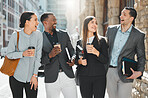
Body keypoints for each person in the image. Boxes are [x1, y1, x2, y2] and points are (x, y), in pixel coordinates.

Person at [106, 7, 145, 98]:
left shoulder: (138, 35)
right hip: (110, 71)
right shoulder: (111, 30)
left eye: (124, 14)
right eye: (121, 14)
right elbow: (105, 49)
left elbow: (141, 56)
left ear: (131, 18)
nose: (121, 16)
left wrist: (139, 72)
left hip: (126, 74)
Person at [40, 12, 77, 98]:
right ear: (45, 23)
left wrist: (73, 59)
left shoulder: (63, 34)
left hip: (67, 75)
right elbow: (40, 60)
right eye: (53, 20)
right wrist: (50, 55)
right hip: (51, 78)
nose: (55, 22)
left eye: (55, 20)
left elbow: (72, 51)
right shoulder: (39, 38)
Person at [7, 11, 43, 98]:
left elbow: (38, 57)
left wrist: (35, 75)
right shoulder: (16, 35)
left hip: (32, 77)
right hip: (16, 77)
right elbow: (9, 54)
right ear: (27, 22)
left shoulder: (38, 35)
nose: (37, 23)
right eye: (35, 20)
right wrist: (22, 54)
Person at [75, 16, 109, 98]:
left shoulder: (102, 41)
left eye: (96, 23)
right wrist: (80, 61)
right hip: (84, 77)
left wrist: (96, 52)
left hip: (99, 77)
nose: (95, 25)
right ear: (86, 25)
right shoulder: (80, 42)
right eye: (92, 22)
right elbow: (76, 60)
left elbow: (105, 60)